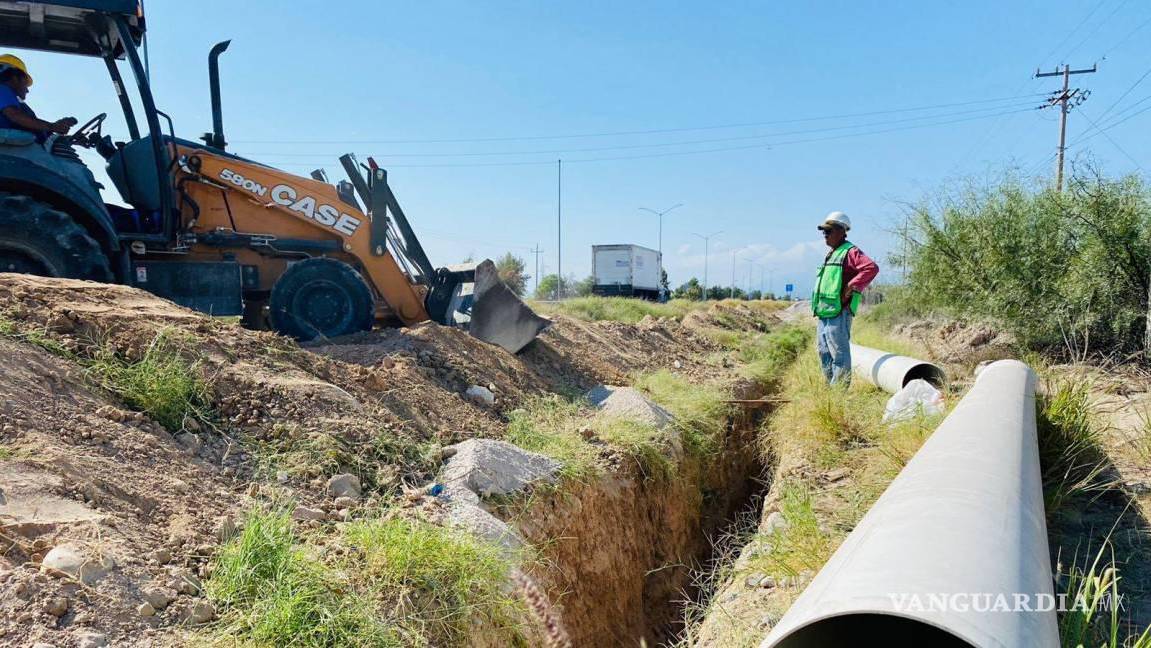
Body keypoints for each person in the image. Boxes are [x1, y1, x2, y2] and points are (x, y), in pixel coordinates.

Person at [812, 211, 879, 385]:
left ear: (842, 232)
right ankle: (830, 392)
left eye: (829, 231)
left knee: (839, 356)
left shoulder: (850, 252)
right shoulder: (832, 253)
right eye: (824, 232)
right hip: (825, 312)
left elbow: (870, 268)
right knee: (824, 353)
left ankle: (838, 396)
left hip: (840, 312)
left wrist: (849, 289)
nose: (825, 235)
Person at [0, 54, 76, 143]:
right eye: (25, 82)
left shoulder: (16, 104)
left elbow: (29, 127)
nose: (27, 90)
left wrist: (68, 138)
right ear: (15, 77)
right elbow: (15, 116)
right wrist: (52, 126)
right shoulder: (3, 90)